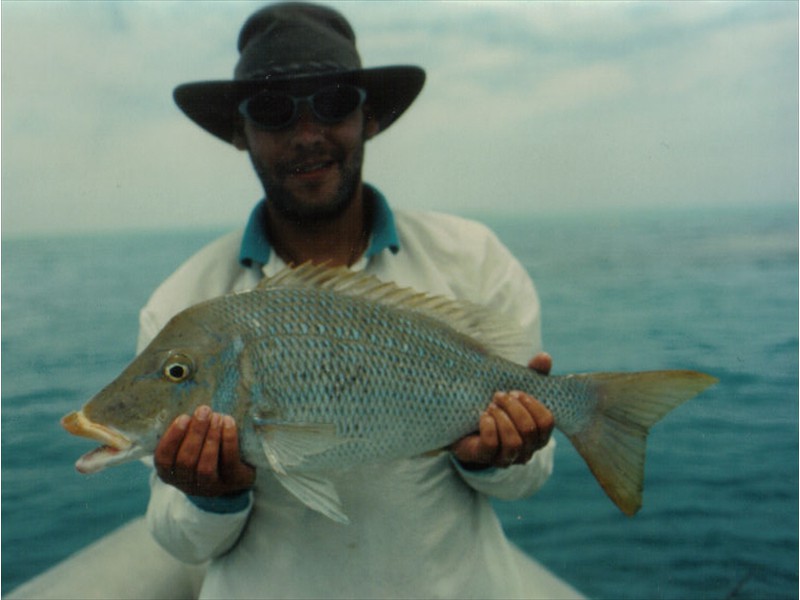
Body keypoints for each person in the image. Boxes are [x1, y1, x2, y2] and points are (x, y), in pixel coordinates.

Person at [142, 3, 583, 598]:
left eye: (334, 103)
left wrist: (493, 456)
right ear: (239, 132)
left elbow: (529, 478)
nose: (306, 134)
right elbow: (179, 539)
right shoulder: (181, 302)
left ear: (368, 117)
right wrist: (210, 495)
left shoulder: (473, 258)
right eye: (272, 111)